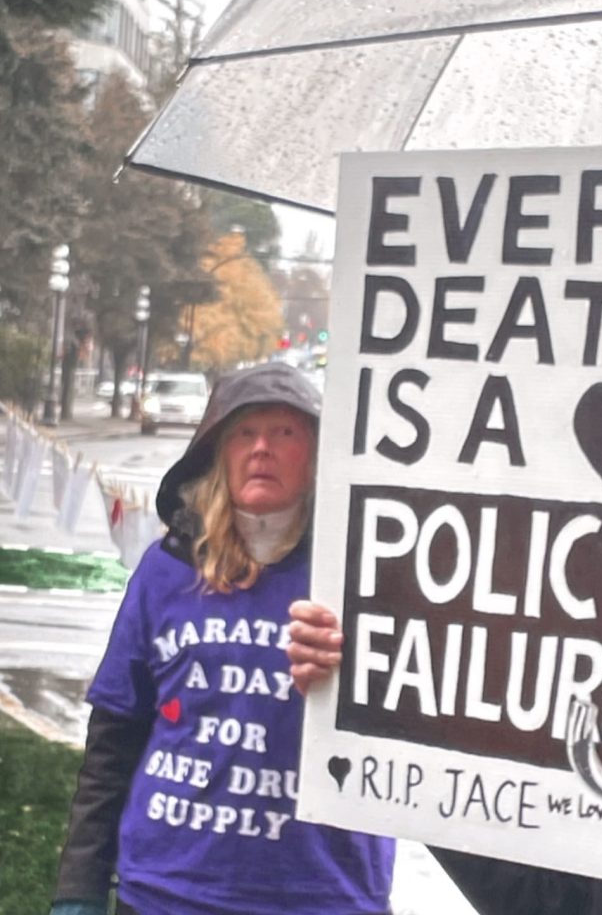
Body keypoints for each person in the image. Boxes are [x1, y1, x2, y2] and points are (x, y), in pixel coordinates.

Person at [50, 361, 395, 915]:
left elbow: (424, 728)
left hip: (324, 893)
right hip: (166, 890)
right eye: (244, 433)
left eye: (285, 432)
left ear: (317, 455)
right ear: (218, 454)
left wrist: (360, 670)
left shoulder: (368, 575)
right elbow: (114, 739)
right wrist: (79, 887)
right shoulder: (165, 570)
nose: (262, 448)